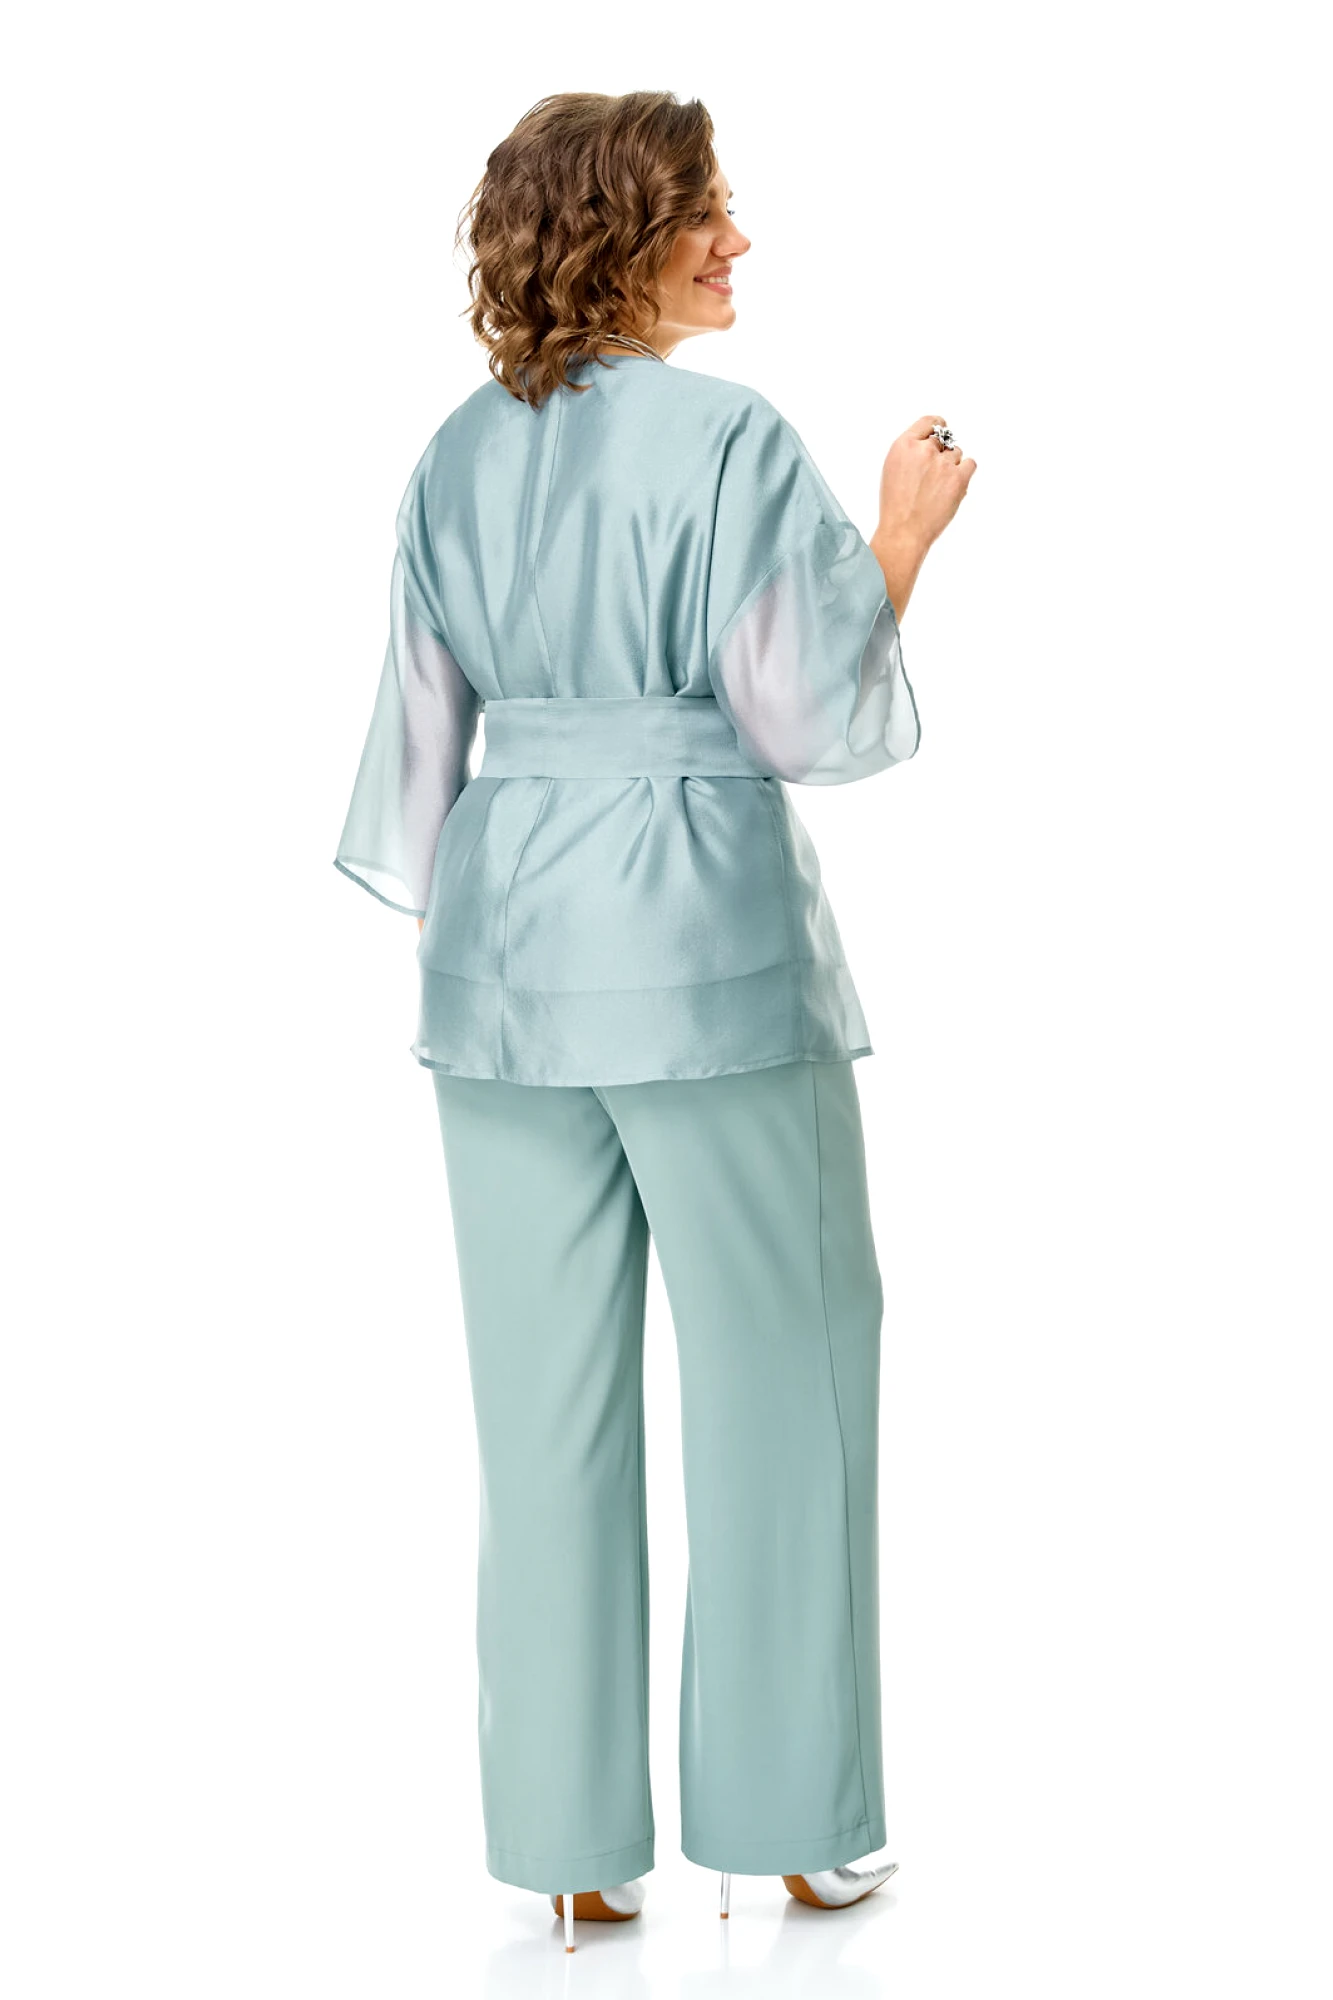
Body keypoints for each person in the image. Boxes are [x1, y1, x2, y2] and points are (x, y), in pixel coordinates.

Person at [334, 89, 975, 1952]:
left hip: (502, 969)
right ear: (623, 232)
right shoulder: (733, 438)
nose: (737, 242)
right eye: (709, 212)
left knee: (542, 1410)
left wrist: (506, 909)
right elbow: (808, 718)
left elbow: (417, 755)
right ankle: (797, 1823)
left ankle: (567, 1845)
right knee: (790, 1373)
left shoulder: (451, 454)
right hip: (703, 957)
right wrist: (903, 541)